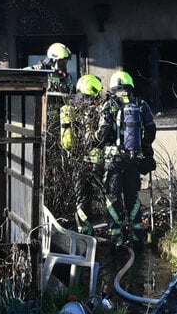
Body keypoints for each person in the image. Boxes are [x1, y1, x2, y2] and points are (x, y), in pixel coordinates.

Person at [97, 70, 157, 246]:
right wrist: (145, 149)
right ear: (130, 85)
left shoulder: (109, 104)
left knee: (113, 197)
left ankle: (117, 239)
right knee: (132, 196)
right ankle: (138, 236)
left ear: (114, 86)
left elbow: (103, 132)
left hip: (113, 161)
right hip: (133, 159)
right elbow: (151, 130)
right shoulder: (140, 104)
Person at [60, 74, 106, 234]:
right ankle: (114, 232)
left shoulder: (71, 108)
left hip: (76, 161)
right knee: (106, 196)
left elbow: (67, 141)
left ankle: (85, 234)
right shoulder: (97, 109)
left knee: (81, 200)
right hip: (96, 161)